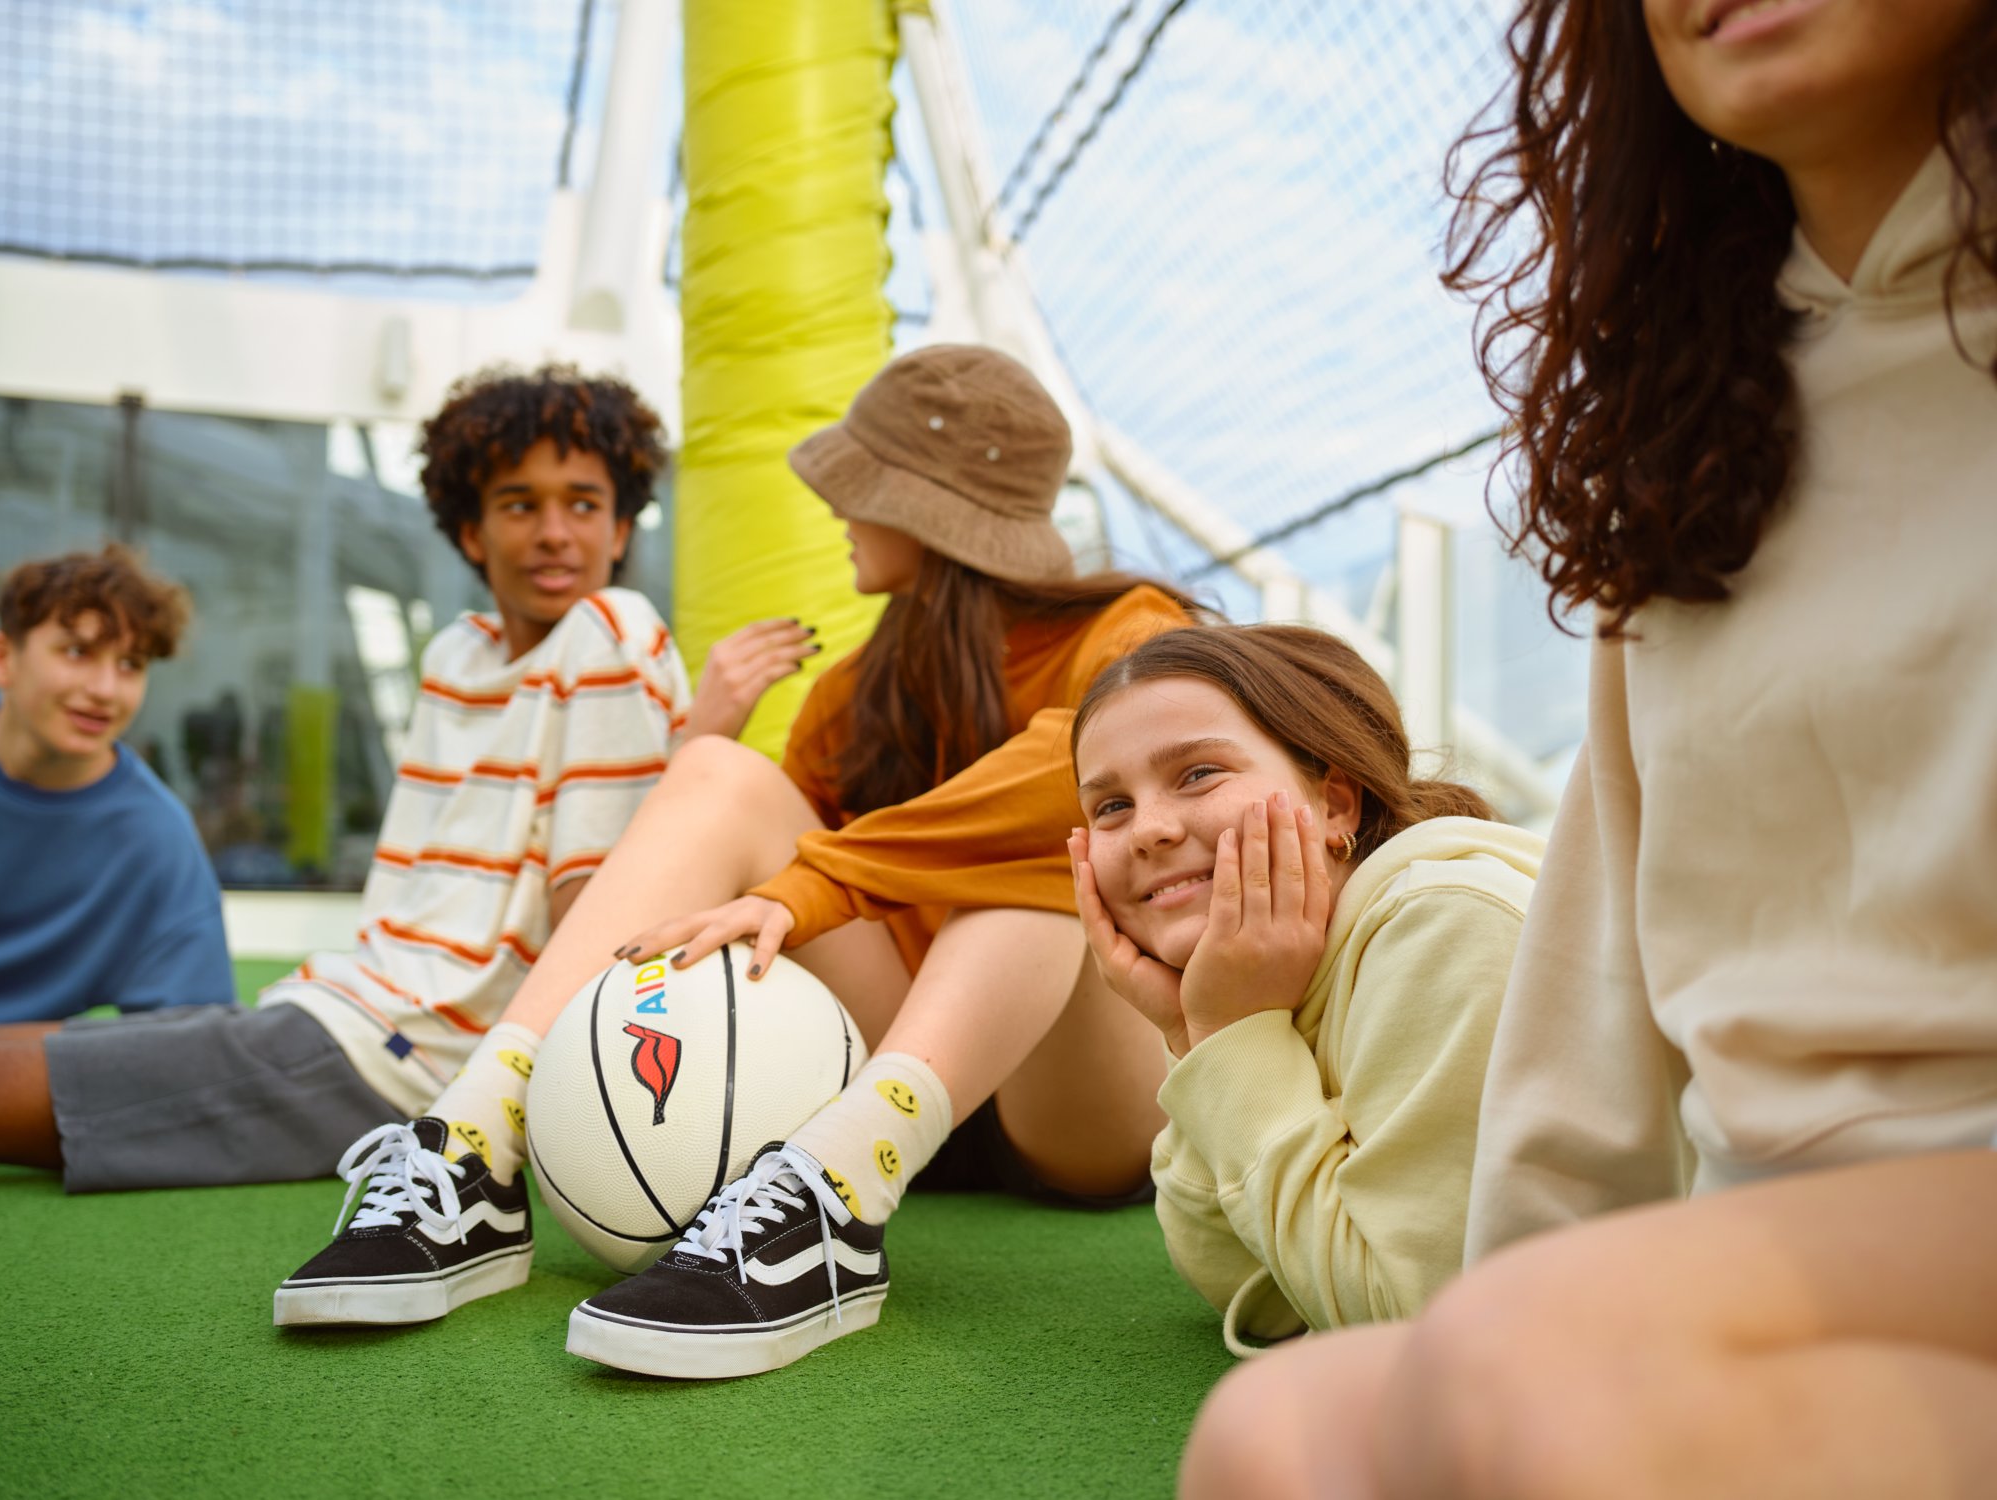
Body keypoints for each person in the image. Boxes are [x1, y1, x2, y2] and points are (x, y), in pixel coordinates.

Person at [1177, 0, 1997, 1494]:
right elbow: (1599, 1013)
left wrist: (1535, 1342)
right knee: (1275, 1442)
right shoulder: (1697, 446)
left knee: (1531, 1372)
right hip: (1748, 1257)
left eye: (1192, 773)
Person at [277, 344, 1198, 1371]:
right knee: (720, 772)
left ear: (923, 508)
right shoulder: (856, 689)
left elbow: (1071, 774)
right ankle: (477, 1145)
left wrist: (821, 882)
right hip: (895, 1062)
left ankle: (836, 1211)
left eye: (860, 486)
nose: (837, 509)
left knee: (1055, 836)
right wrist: (744, 819)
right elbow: (737, 872)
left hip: (1079, 1103)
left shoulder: (1135, 631)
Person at [0, 364, 810, 1199]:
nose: (555, 533)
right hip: (349, 1007)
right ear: (471, 532)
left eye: (584, 504)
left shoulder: (610, 630)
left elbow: (600, 928)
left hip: (410, 1059)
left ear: (619, 532)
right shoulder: (461, 657)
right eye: (520, 505)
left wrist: (699, 739)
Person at [1065, 625, 1540, 1354]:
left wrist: (1229, 1035)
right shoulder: (1259, 986)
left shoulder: (1445, 925)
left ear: (1334, 806)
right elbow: (1246, 1283)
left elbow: (1417, 1327)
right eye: (1110, 807)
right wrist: (1194, 1035)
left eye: (1198, 773)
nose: (1148, 830)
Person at [0, 544, 232, 1024]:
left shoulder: (156, 842)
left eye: (131, 664)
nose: (106, 689)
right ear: (3, 659)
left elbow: (191, 1046)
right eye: (78, 652)